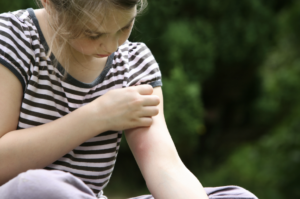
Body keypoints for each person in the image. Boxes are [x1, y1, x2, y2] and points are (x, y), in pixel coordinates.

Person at [0, 0, 258, 198]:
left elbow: (165, 167)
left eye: (124, 26)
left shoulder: (135, 65)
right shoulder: (12, 37)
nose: (112, 46)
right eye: (93, 34)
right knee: (37, 187)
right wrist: (96, 117)